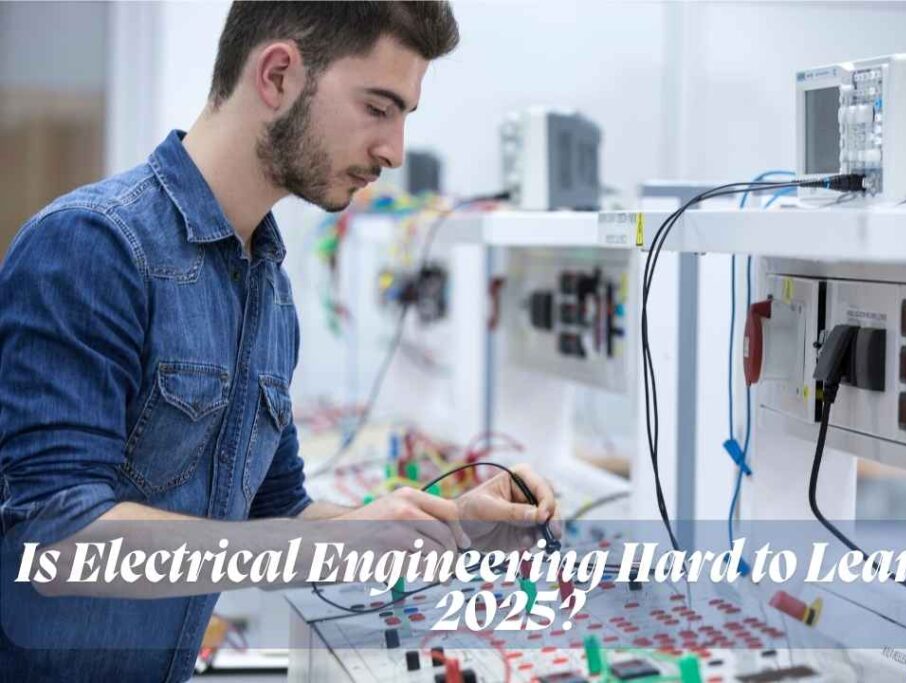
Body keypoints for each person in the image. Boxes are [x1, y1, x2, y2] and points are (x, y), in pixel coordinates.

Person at [0, 3, 557, 680]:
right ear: (278, 75)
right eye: (379, 107)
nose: (394, 151)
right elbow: (58, 541)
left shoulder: (268, 288)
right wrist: (319, 546)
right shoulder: (95, 246)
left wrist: (451, 531)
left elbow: (282, 511)